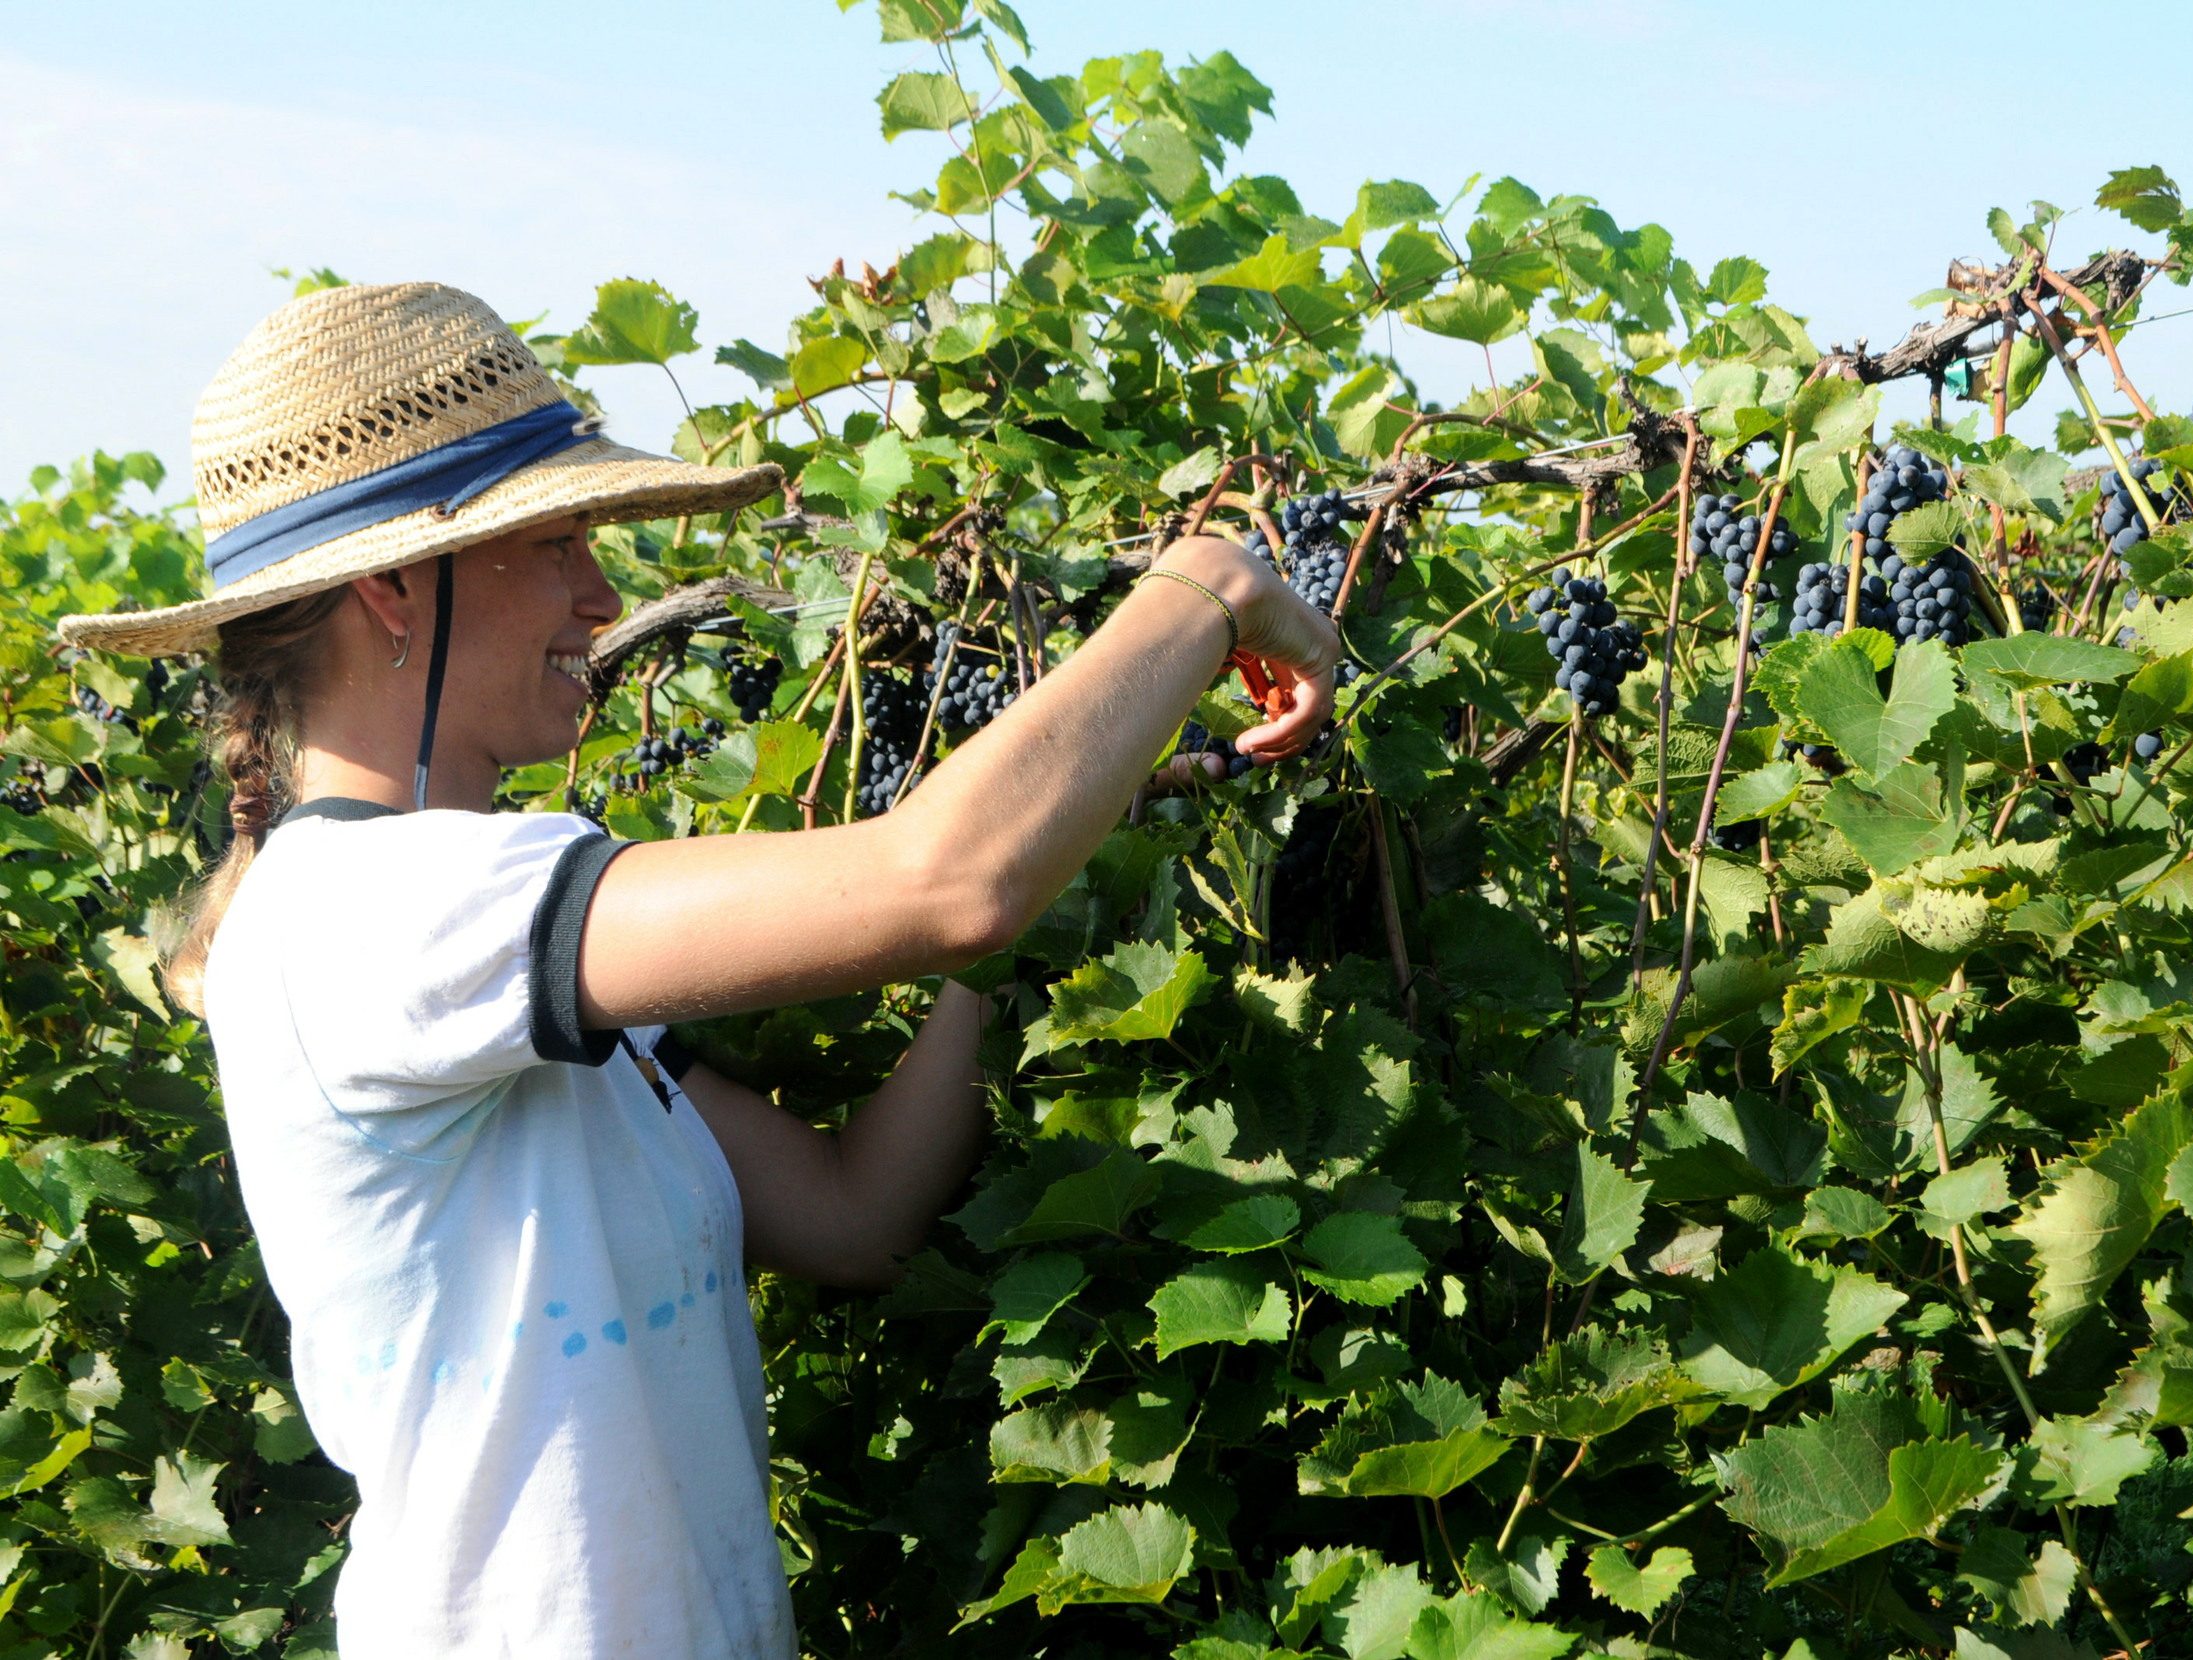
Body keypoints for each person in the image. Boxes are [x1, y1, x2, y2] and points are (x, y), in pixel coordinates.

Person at [57, 282, 1337, 1659]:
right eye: (556, 543)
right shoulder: (378, 908)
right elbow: (944, 880)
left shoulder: (480, 968)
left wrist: (1058, 849)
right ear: (390, 588)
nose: (603, 596)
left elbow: (855, 1218)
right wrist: (1207, 587)